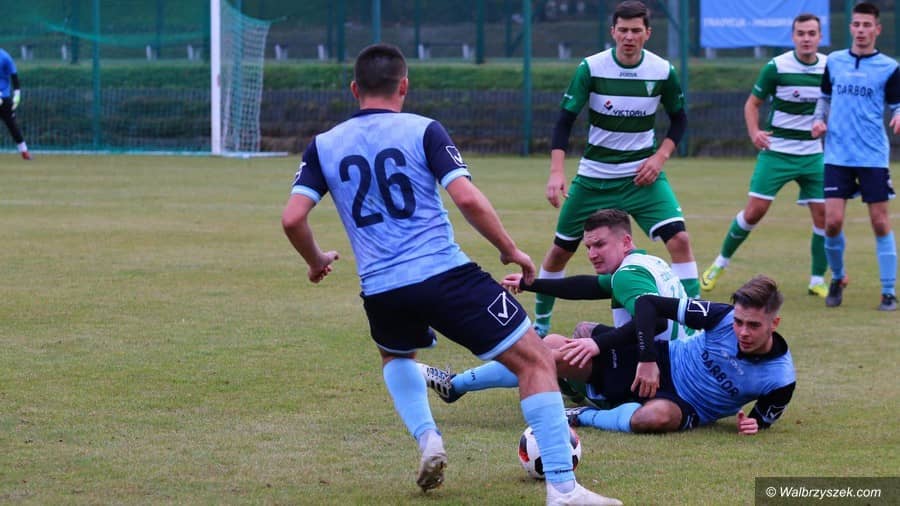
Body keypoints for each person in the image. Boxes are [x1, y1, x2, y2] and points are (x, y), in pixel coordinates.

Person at [281, 43, 620, 505]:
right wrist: (510, 250)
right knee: (536, 360)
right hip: (444, 274)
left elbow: (292, 219)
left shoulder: (323, 145)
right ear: (404, 86)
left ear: (355, 89)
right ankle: (562, 488)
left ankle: (428, 438)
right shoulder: (424, 129)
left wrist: (316, 260)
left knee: (396, 356)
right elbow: (466, 198)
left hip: (381, 288)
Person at [535, 0, 697, 338]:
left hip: (642, 178)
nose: (629, 37)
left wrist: (660, 158)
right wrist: (556, 171)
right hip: (594, 178)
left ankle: (696, 322)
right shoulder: (592, 68)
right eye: (623, 30)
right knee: (561, 251)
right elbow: (564, 121)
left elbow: (680, 119)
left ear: (647, 33)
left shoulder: (662, 70)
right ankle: (540, 325)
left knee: (680, 239)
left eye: (636, 30)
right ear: (613, 32)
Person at [421, 209, 693, 409]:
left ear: (625, 242)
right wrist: (531, 284)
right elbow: (587, 287)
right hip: (677, 361)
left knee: (538, 355)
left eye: (600, 245)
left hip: (657, 373)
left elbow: (656, 321)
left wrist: (599, 345)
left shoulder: (627, 276)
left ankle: (455, 385)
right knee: (576, 333)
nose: (592, 254)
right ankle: (573, 385)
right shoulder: (649, 263)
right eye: (588, 247)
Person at [562, 275, 796, 435]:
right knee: (568, 341)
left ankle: (582, 415)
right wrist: (647, 358)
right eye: (739, 322)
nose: (743, 332)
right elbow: (647, 303)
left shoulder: (781, 379)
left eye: (754, 325)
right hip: (664, 360)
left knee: (653, 418)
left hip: (687, 406)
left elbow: (759, 421)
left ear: (774, 323)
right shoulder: (721, 316)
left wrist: (751, 425)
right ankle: (578, 389)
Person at [701, 14, 831, 297]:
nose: (806, 38)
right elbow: (752, 104)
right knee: (754, 212)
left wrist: (826, 124)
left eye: (811, 33)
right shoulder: (777, 67)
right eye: (801, 33)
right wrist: (754, 133)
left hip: (812, 154)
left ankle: (817, 279)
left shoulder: (829, 67)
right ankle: (719, 264)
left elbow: (835, 104)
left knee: (824, 216)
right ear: (793, 36)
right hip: (777, 152)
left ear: (820, 37)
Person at [812, 2, 900, 311]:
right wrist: (818, 120)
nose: (861, 30)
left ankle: (888, 291)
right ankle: (838, 278)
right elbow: (824, 98)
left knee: (880, 222)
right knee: (832, 223)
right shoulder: (835, 61)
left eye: (867, 25)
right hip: (837, 154)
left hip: (872, 156)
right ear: (850, 27)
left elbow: (897, 104)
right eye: (857, 24)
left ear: (878, 29)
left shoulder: (889, 67)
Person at [0, 47, 30, 160]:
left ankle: (24, 151)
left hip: (4, 98)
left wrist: (17, 95)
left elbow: (14, 76)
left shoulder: (5, 57)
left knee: (11, 124)